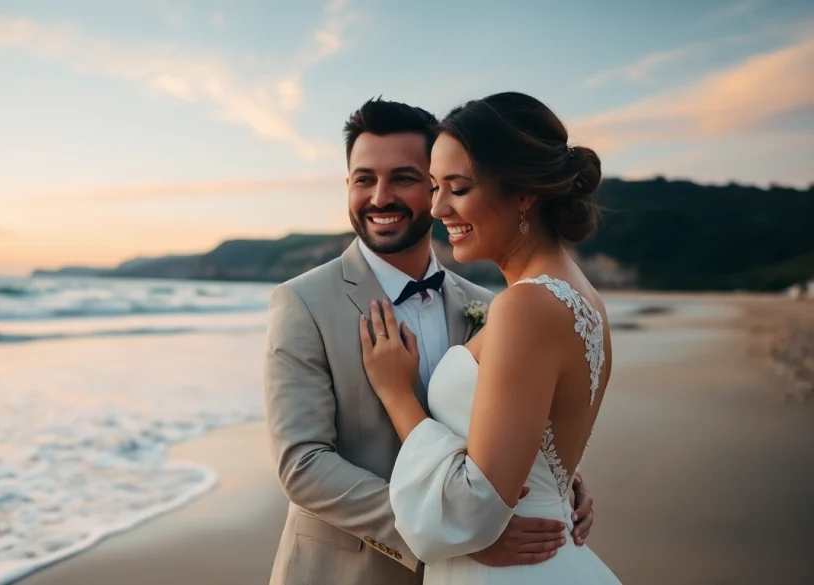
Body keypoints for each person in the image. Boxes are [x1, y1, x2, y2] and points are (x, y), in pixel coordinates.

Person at [263, 97, 596, 585]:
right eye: (363, 179)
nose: (379, 197)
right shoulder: (303, 302)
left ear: (437, 182)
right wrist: (460, 530)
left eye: (403, 178)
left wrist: (557, 480)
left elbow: (500, 428)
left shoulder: (491, 304)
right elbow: (303, 465)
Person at [359, 92, 621, 583]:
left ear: (523, 192)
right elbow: (541, 446)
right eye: (435, 186)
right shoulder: (581, 297)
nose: (437, 208)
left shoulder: (525, 306)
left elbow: (476, 507)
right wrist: (557, 486)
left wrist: (397, 394)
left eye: (457, 188)